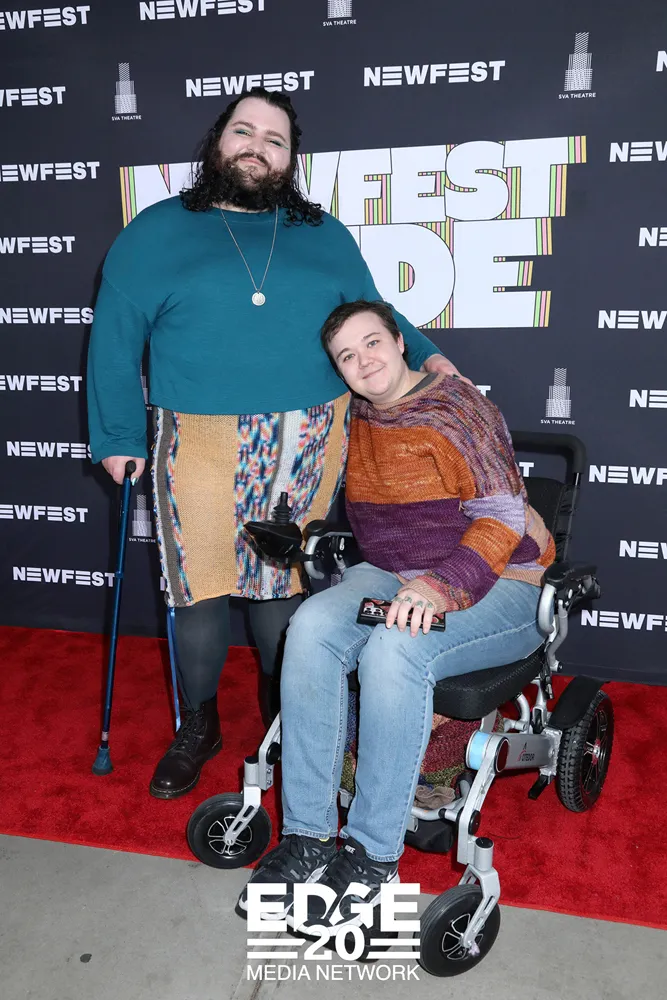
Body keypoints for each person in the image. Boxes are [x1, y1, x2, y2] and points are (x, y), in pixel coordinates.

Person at [86, 88, 462, 800]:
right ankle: (199, 724)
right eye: (244, 130)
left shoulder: (323, 234)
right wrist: (116, 434)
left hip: (307, 437)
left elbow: (373, 313)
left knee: (281, 586)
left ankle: (285, 719)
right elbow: (114, 338)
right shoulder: (155, 231)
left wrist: (426, 355)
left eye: (275, 139)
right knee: (197, 587)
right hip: (195, 439)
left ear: (291, 160)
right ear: (217, 141)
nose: (257, 146)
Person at [239, 299, 556, 928]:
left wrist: (442, 586)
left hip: (502, 580)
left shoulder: (460, 406)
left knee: (394, 647)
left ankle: (371, 855)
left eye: (372, 342)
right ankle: (307, 838)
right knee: (309, 628)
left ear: (401, 341)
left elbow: (502, 516)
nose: (363, 361)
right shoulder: (358, 412)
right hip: (391, 575)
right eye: (346, 356)